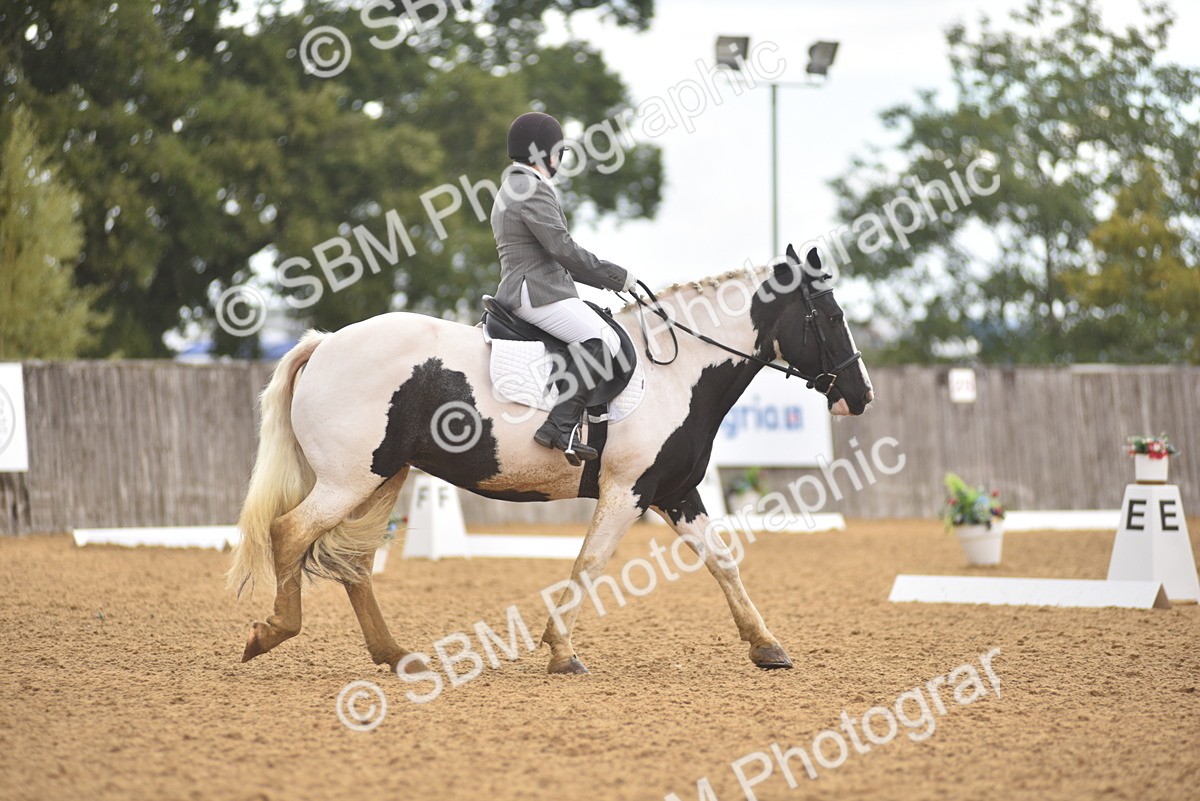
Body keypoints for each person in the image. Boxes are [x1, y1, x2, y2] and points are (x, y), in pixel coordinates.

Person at [490, 111, 637, 463]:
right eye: (560, 151)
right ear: (545, 153)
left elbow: (555, 252)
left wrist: (602, 284)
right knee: (604, 340)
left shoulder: (513, 185)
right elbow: (561, 248)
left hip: (531, 286)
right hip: (536, 291)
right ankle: (560, 425)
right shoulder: (530, 188)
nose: (560, 159)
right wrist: (617, 277)